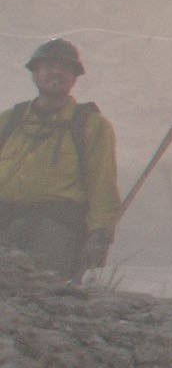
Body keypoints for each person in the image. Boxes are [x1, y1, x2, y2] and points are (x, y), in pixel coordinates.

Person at [0, 39, 116, 276]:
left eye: (64, 67)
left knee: (49, 301)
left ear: (74, 77)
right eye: (48, 66)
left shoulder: (91, 125)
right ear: (34, 74)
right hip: (4, 227)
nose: (55, 71)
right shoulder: (9, 120)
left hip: (56, 233)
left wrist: (99, 235)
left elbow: (102, 183)